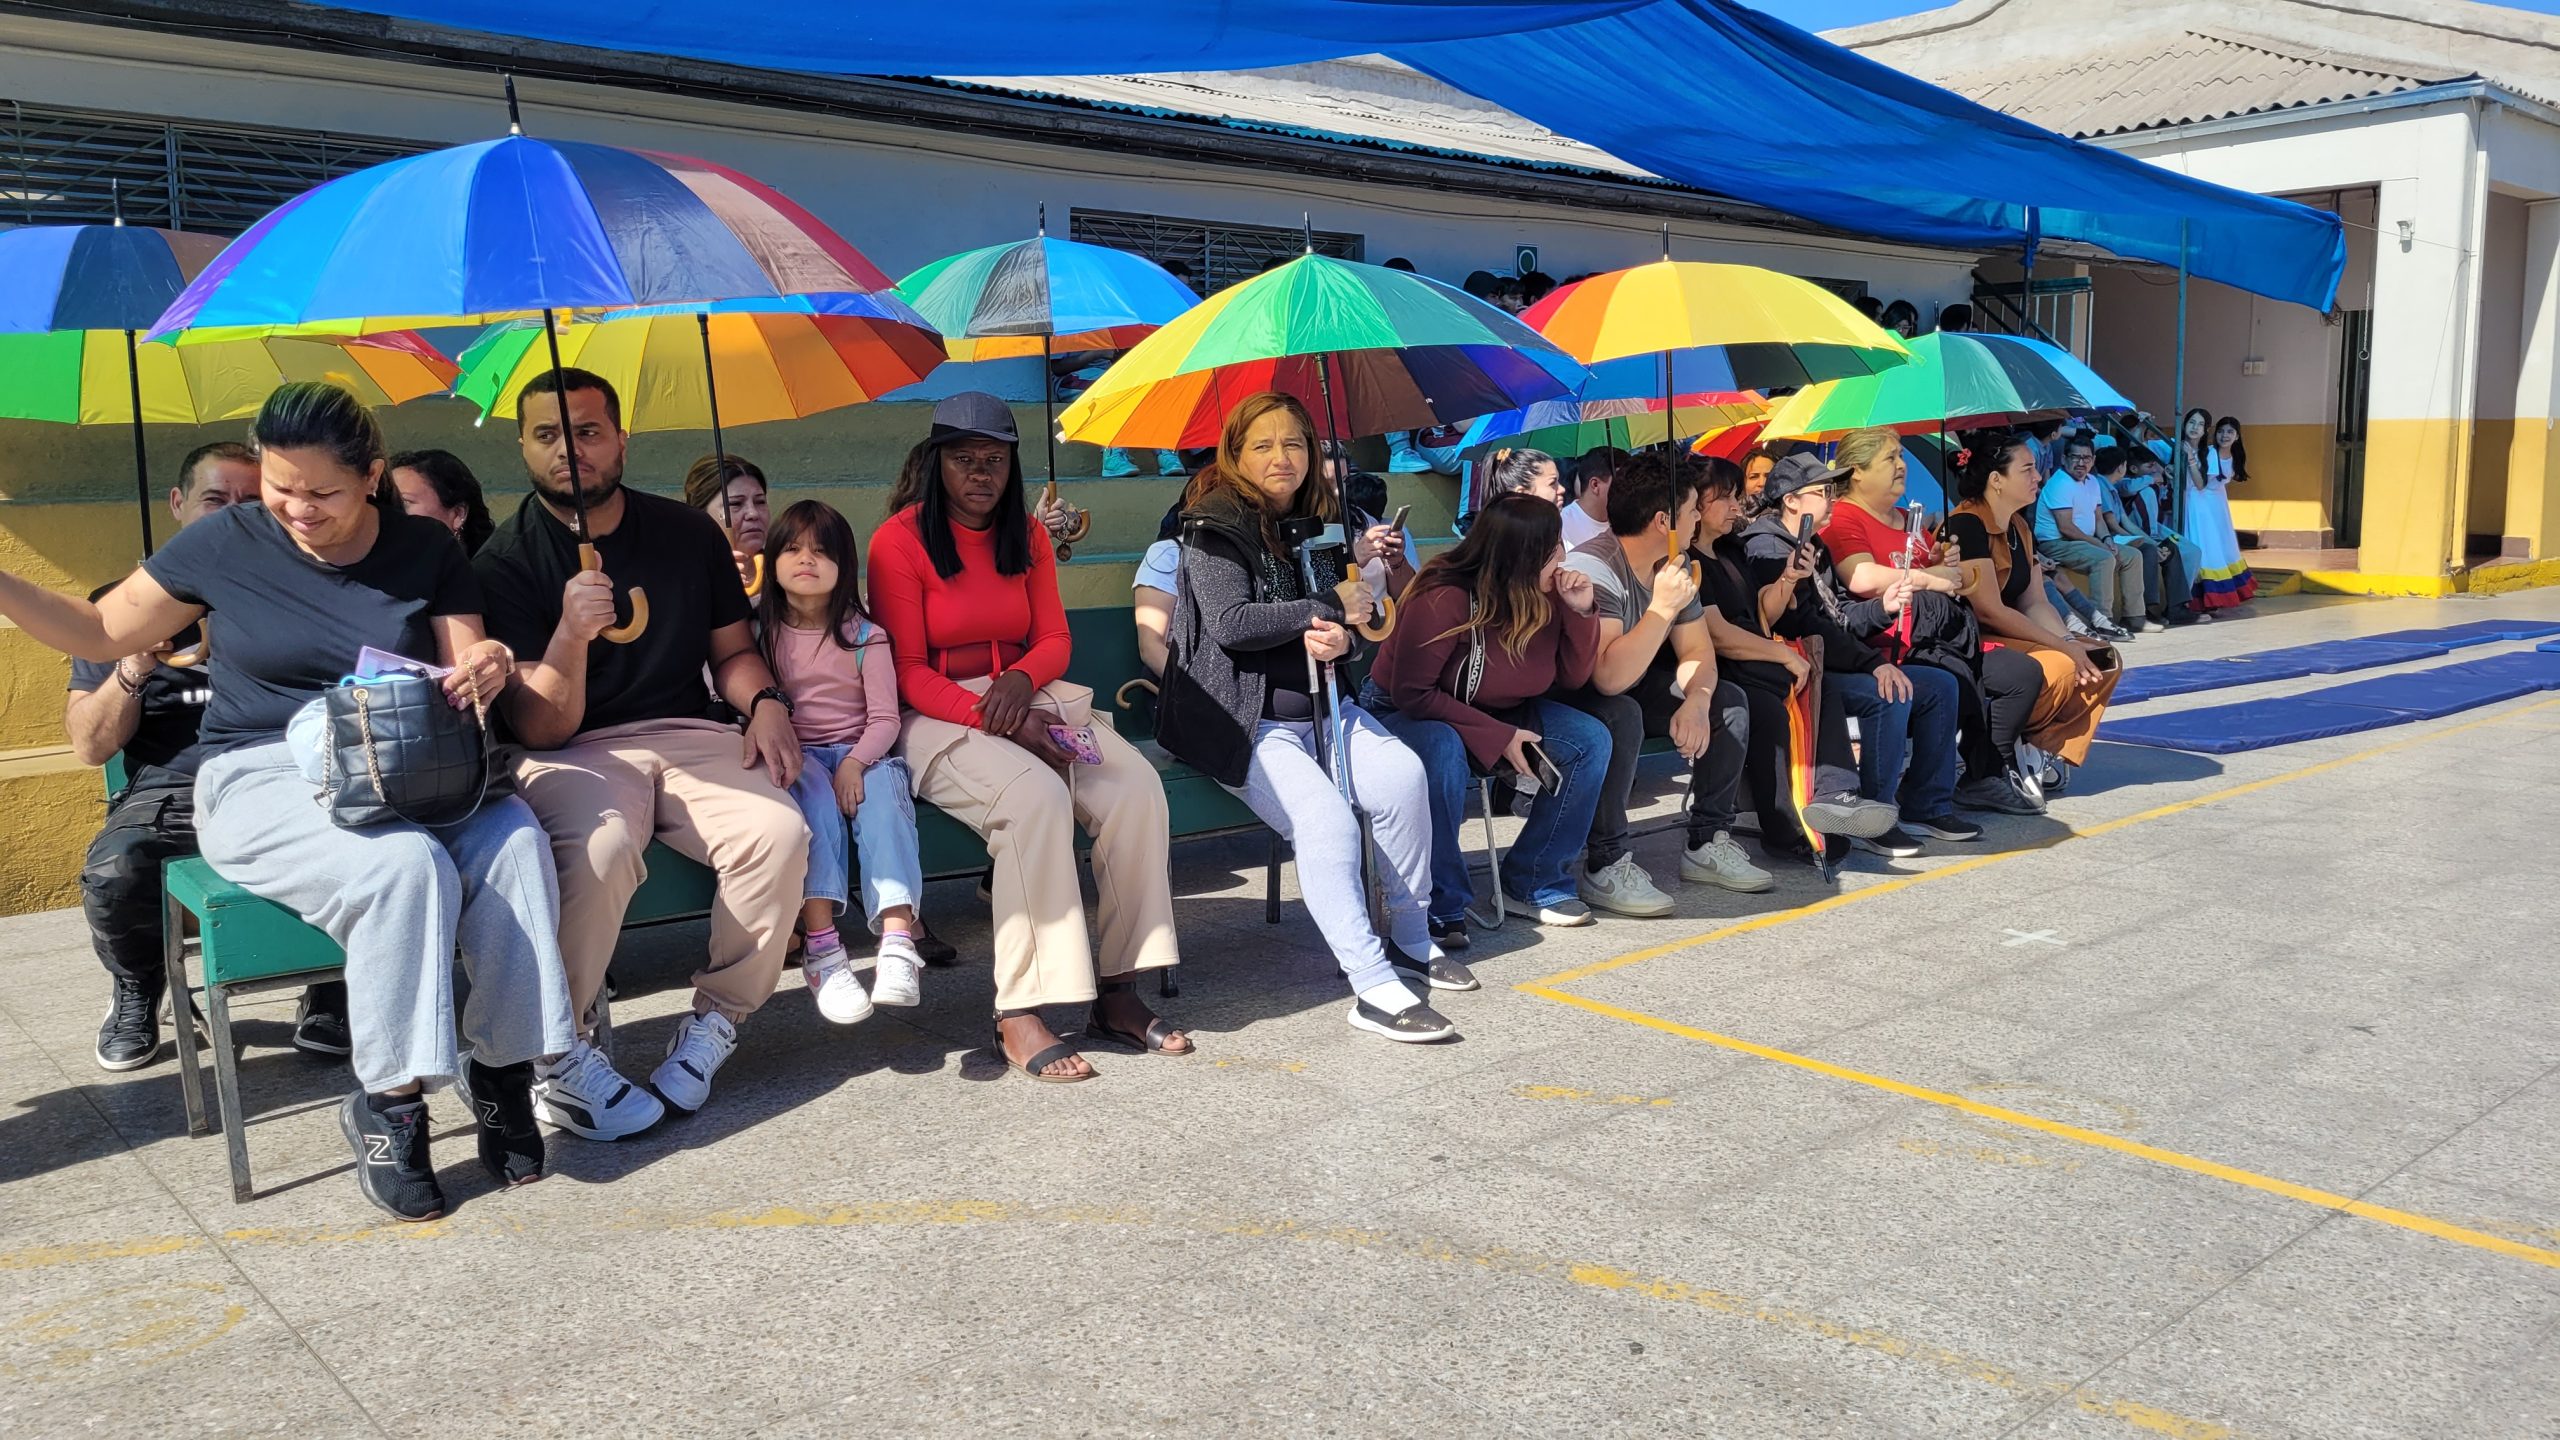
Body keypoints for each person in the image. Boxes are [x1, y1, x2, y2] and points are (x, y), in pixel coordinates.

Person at [2, 381, 575, 1222]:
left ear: (372, 476)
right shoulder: (224, 542)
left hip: (397, 761)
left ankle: (501, 1071)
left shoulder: (424, 547)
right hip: (260, 772)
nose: (297, 509)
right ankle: (391, 1105)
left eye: (322, 493)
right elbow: (97, 631)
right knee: (403, 867)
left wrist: (486, 665)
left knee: (516, 841)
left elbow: (466, 662)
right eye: (280, 486)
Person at [477, 367, 810, 1137]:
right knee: (599, 849)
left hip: (690, 732)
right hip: (577, 749)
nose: (570, 451)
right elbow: (541, 727)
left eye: (588, 432)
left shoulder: (688, 534)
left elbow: (732, 651)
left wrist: (764, 702)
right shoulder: (504, 562)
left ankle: (718, 1019)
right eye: (548, 435)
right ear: (523, 447)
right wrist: (570, 633)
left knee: (778, 831)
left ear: (622, 439)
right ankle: (558, 1052)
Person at [868, 391, 1190, 1082]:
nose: (980, 473)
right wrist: (1001, 714)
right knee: (1034, 799)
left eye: (993, 459)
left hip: (1026, 691)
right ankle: (1018, 1011)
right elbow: (907, 670)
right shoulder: (899, 540)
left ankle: (1119, 991)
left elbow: (1054, 638)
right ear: (936, 462)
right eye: (963, 459)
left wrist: (1018, 682)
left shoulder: (1029, 535)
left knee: (1135, 787)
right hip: (937, 711)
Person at [1158, 391, 1460, 1042]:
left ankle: (1412, 934)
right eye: (1263, 445)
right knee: (1327, 824)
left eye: (1293, 443)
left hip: (1327, 708)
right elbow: (1232, 624)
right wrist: (1325, 607)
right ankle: (1371, 984)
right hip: (1244, 720)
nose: (1281, 458)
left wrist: (1343, 639)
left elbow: (1358, 620)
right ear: (1235, 453)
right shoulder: (1211, 524)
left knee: (1403, 778)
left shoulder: (1323, 518)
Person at [72, 442, 356, 1069]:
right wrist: (132, 667)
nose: (232, 515)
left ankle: (331, 983)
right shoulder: (122, 606)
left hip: (284, 780)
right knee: (116, 871)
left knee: (362, 840)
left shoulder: (297, 596)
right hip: (171, 792)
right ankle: (139, 984)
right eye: (214, 500)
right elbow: (90, 743)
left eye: (249, 502)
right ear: (178, 504)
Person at [1365, 493, 1609, 937]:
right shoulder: (1444, 594)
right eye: (1553, 546)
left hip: (1501, 709)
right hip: (1405, 711)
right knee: (1442, 748)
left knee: (1589, 739)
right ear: (1521, 556)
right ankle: (1437, 901)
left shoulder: (1548, 592)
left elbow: (1574, 678)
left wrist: (1580, 612)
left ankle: (1533, 881)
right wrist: (1498, 736)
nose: (1563, 555)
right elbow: (1412, 693)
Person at [1730, 449, 1970, 857]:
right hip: (1800, 668)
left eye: (1832, 490)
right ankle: (1874, 816)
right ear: (1791, 500)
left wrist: (1882, 607)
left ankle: (1927, 804)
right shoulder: (1768, 545)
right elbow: (1804, 626)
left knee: (1939, 685)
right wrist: (1873, 663)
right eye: (1822, 491)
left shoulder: (1813, 542)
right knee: (1890, 694)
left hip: (1829, 659)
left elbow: (1838, 615)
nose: (1832, 499)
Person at [1557, 448, 1762, 908]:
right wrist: (1663, 608)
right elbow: (1607, 678)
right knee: (1621, 714)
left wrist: (1697, 700)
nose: (1697, 519)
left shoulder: (1673, 564)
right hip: (1574, 693)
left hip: (1635, 680)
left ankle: (1708, 842)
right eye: (1691, 510)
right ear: (1663, 521)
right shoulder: (1594, 567)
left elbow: (1698, 651)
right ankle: (1606, 863)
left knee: (1727, 701)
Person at [759, 500, 927, 1026]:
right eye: (792, 549)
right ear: (772, 561)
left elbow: (885, 719)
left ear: (844, 564)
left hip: (862, 751)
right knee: (812, 807)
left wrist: (855, 762)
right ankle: (823, 947)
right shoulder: (761, 633)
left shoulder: (865, 635)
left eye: (820, 551)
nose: (805, 559)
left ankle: (897, 941)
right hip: (799, 755)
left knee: (885, 805)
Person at [1819, 428, 2044, 818]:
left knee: (2021, 674)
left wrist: (1943, 561)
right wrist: (1927, 577)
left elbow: (1944, 576)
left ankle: (1982, 773)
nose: (1902, 465)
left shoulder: (1909, 519)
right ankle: (1955, 783)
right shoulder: (1843, 517)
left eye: (1901, 456)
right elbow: (1861, 577)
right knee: (1953, 680)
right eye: (1890, 458)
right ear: (1857, 471)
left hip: (1936, 634)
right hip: (1887, 640)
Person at [1945, 431, 2123, 795]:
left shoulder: (2019, 525)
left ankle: (2038, 743)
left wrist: (2069, 639)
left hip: (2015, 629)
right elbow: (1990, 612)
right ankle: (2014, 747)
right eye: (2027, 469)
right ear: (1996, 480)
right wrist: (2062, 648)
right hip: (1976, 636)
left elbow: (2035, 601)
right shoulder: (1966, 524)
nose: (2038, 476)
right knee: (2059, 666)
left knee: (2104, 659)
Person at [2034, 436, 2145, 636]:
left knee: (2133, 556)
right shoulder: (2059, 483)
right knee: (2104, 559)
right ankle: (2103, 620)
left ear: (2093, 460)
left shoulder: (2093, 482)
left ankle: (2134, 618)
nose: (2081, 462)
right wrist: (2098, 544)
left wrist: (2107, 539)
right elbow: (2066, 527)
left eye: (2086, 458)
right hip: (2056, 543)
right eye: (2075, 457)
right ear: (2064, 459)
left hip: (2083, 541)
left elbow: (2099, 519)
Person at [2118, 447, 2207, 624]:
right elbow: (2127, 488)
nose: (2154, 469)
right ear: (2133, 468)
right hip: (2133, 531)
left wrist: (2168, 482)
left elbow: (2167, 506)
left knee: (2192, 552)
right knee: (2160, 550)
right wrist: (2152, 479)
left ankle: (2178, 606)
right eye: (2149, 466)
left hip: (2155, 528)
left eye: (2155, 465)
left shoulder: (2155, 484)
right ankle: (2152, 610)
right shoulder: (2126, 482)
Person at [2183, 411, 2257, 612]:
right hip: (2201, 503)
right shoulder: (2209, 452)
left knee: (2218, 546)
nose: (2225, 435)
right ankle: (2202, 596)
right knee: (2208, 545)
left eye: (2230, 432)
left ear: (2237, 436)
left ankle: (2215, 594)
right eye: (2221, 431)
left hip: (2215, 504)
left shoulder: (2230, 457)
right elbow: (2201, 484)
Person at [683, 452, 770, 591]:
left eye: (760, 501)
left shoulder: (786, 572)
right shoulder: (680, 579)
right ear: (700, 514)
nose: (753, 513)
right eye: (735, 504)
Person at [388, 448, 495, 554]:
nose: (387, 511)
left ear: (458, 514)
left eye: (404, 502)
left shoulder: (491, 562)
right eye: (385, 502)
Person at [1562, 446, 1626, 548]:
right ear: (1595, 485)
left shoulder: (1629, 521)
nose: (1629, 489)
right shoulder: (1561, 527)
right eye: (1622, 482)